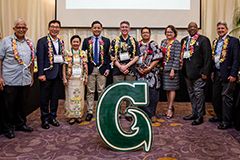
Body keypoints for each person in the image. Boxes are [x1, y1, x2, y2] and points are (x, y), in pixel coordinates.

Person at [0, 18, 34, 139]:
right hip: (10, 79)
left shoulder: (29, 43)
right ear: (14, 28)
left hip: (25, 79)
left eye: (23, 27)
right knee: (8, 105)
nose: (21, 29)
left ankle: (21, 124)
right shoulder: (6, 41)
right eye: (18, 27)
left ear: (26, 29)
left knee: (22, 104)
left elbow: (32, 61)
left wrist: (32, 77)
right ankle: (7, 127)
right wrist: (0, 77)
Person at [209, 21, 240, 129]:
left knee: (226, 98)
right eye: (218, 29)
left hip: (228, 74)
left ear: (226, 29)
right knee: (215, 97)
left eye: (222, 28)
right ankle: (219, 116)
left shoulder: (234, 41)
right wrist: (212, 71)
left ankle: (227, 121)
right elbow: (214, 58)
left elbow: (236, 59)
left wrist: (234, 74)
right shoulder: (215, 42)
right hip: (217, 73)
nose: (220, 30)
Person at [181, 22, 212, 125]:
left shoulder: (203, 40)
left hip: (199, 74)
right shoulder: (184, 40)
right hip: (187, 73)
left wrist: (205, 72)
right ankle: (194, 113)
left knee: (199, 94)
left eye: (194, 27)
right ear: (187, 29)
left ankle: (200, 116)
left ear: (198, 28)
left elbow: (208, 58)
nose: (192, 28)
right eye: (190, 27)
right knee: (192, 94)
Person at [37, 20, 64, 129]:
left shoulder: (61, 42)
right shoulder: (42, 41)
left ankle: (53, 117)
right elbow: (40, 59)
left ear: (59, 29)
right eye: (52, 26)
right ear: (49, 28)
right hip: (46, 74)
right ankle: (45, 119)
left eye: (57, 27)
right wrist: (40, 74)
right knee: (44, 98)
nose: (55, 29)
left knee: (54, 98)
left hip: (57, 74)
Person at [110, 21, 139, 120]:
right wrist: (121, 67)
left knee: (129, 92)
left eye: (126, 27)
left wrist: (126, 66)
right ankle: (117, 112)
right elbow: (112, 56)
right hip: (118, 70)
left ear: (129, 29)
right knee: (117, 92)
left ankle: (129, 112)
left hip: (130, 70)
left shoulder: (134, 41)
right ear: (120, 29)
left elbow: (136, 56)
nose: (124, 28)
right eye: (122, 27)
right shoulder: (114, 41)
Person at [82, 21, 110, 121]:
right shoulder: (86, 41)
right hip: (90, 69)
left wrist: (107, 68)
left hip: (102, 69)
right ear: (91, 29)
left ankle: (100, 110)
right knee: (90, 91)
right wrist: (84, 71)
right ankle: (90, 111)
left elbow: (108, 56)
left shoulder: (106, 41)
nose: (97, 29)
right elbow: (83, 56)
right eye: (95, 27)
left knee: (101, 90)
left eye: (98, 28)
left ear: (101, 29)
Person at [136, 27, 162, 122]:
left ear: (150, 34)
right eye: (144, 32)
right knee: (141, 95)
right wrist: (139, 69)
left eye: (147, 32)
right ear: (141, 34)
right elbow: (134, 58)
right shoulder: (137, 45)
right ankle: (144, 113)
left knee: (153, 95)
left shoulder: (153, 44)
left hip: (152, 74)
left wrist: (149, 68)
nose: (145, 34)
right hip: (140, 74)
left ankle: (152, 114)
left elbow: (158, 57)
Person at [63, 35, 88, 125]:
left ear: (80, 43)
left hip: (80, 79)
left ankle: (78, 115)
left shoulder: (83, 53)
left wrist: (86, 77)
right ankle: (71, 116)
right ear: (71, 43)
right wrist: (65, 78)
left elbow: (85, 66)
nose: (76, 43)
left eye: (77, 42)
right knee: (70, 97)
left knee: (80, 97)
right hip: (71, 79)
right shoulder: (67, 53)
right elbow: (64, 66)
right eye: (74, 42)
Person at [160, 25, 181, 119]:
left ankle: (169, 109)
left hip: (172, 70)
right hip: (164, 69)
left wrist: (173, 70)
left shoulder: (176, 43)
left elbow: (177, 57)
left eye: (171, 32)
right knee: (167, 89)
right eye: (167, 32)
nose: (169, 33)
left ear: (174, 33)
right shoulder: (163, 42)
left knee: (172, 89)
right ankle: (170, 106)